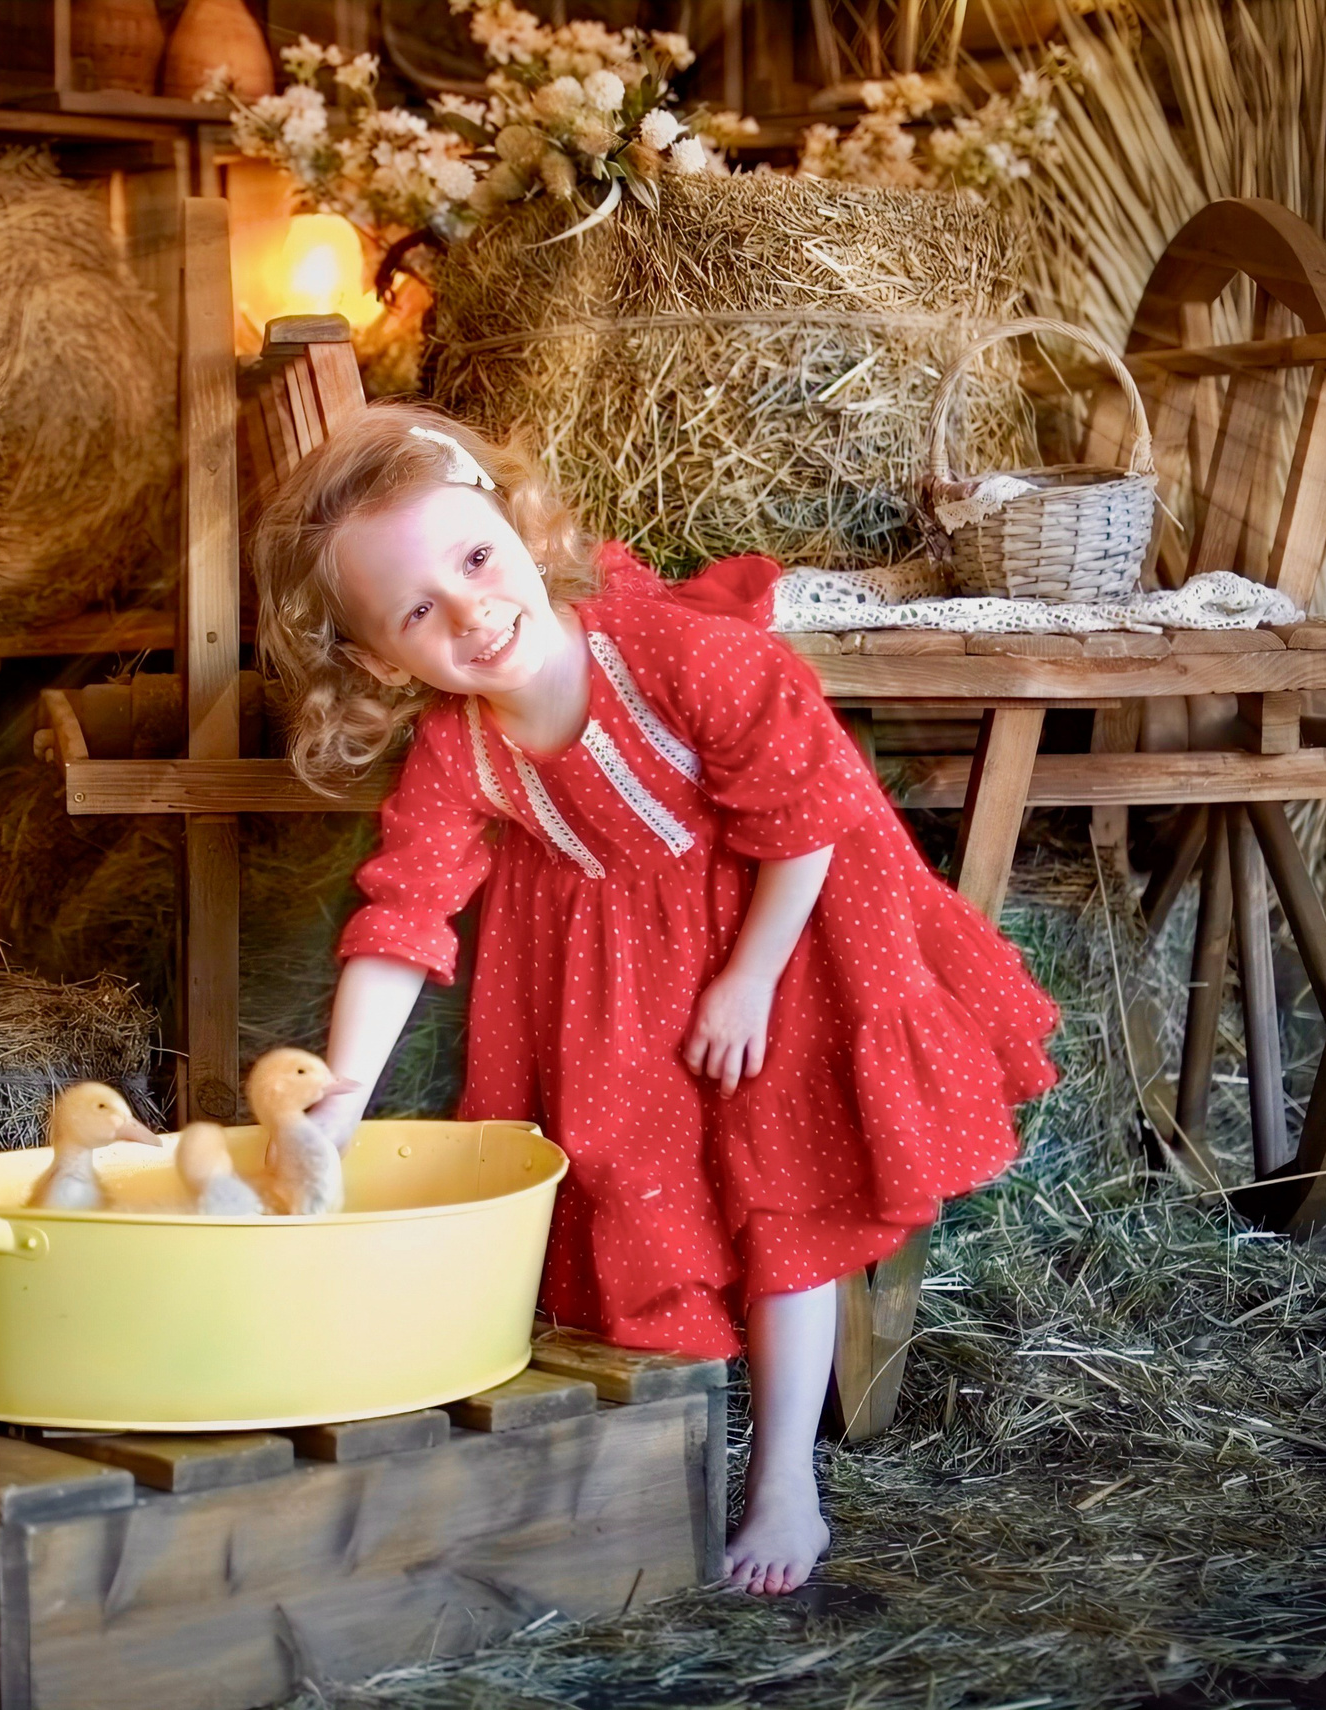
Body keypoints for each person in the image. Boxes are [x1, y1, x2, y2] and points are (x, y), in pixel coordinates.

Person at [251, 403, 1060, 1595]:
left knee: (786, 1194)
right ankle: (652, 1448)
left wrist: (747, 980)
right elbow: (406, 910)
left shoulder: (686, 655)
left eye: (476, 559)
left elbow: (806, 823)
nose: (471, 611)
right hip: (614, 960)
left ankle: (784, 1473)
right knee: (634, 1179)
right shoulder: (455, 745)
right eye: (417, 609)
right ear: (379, 657)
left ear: (521, 526)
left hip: (783, 929)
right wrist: (346, 1097)